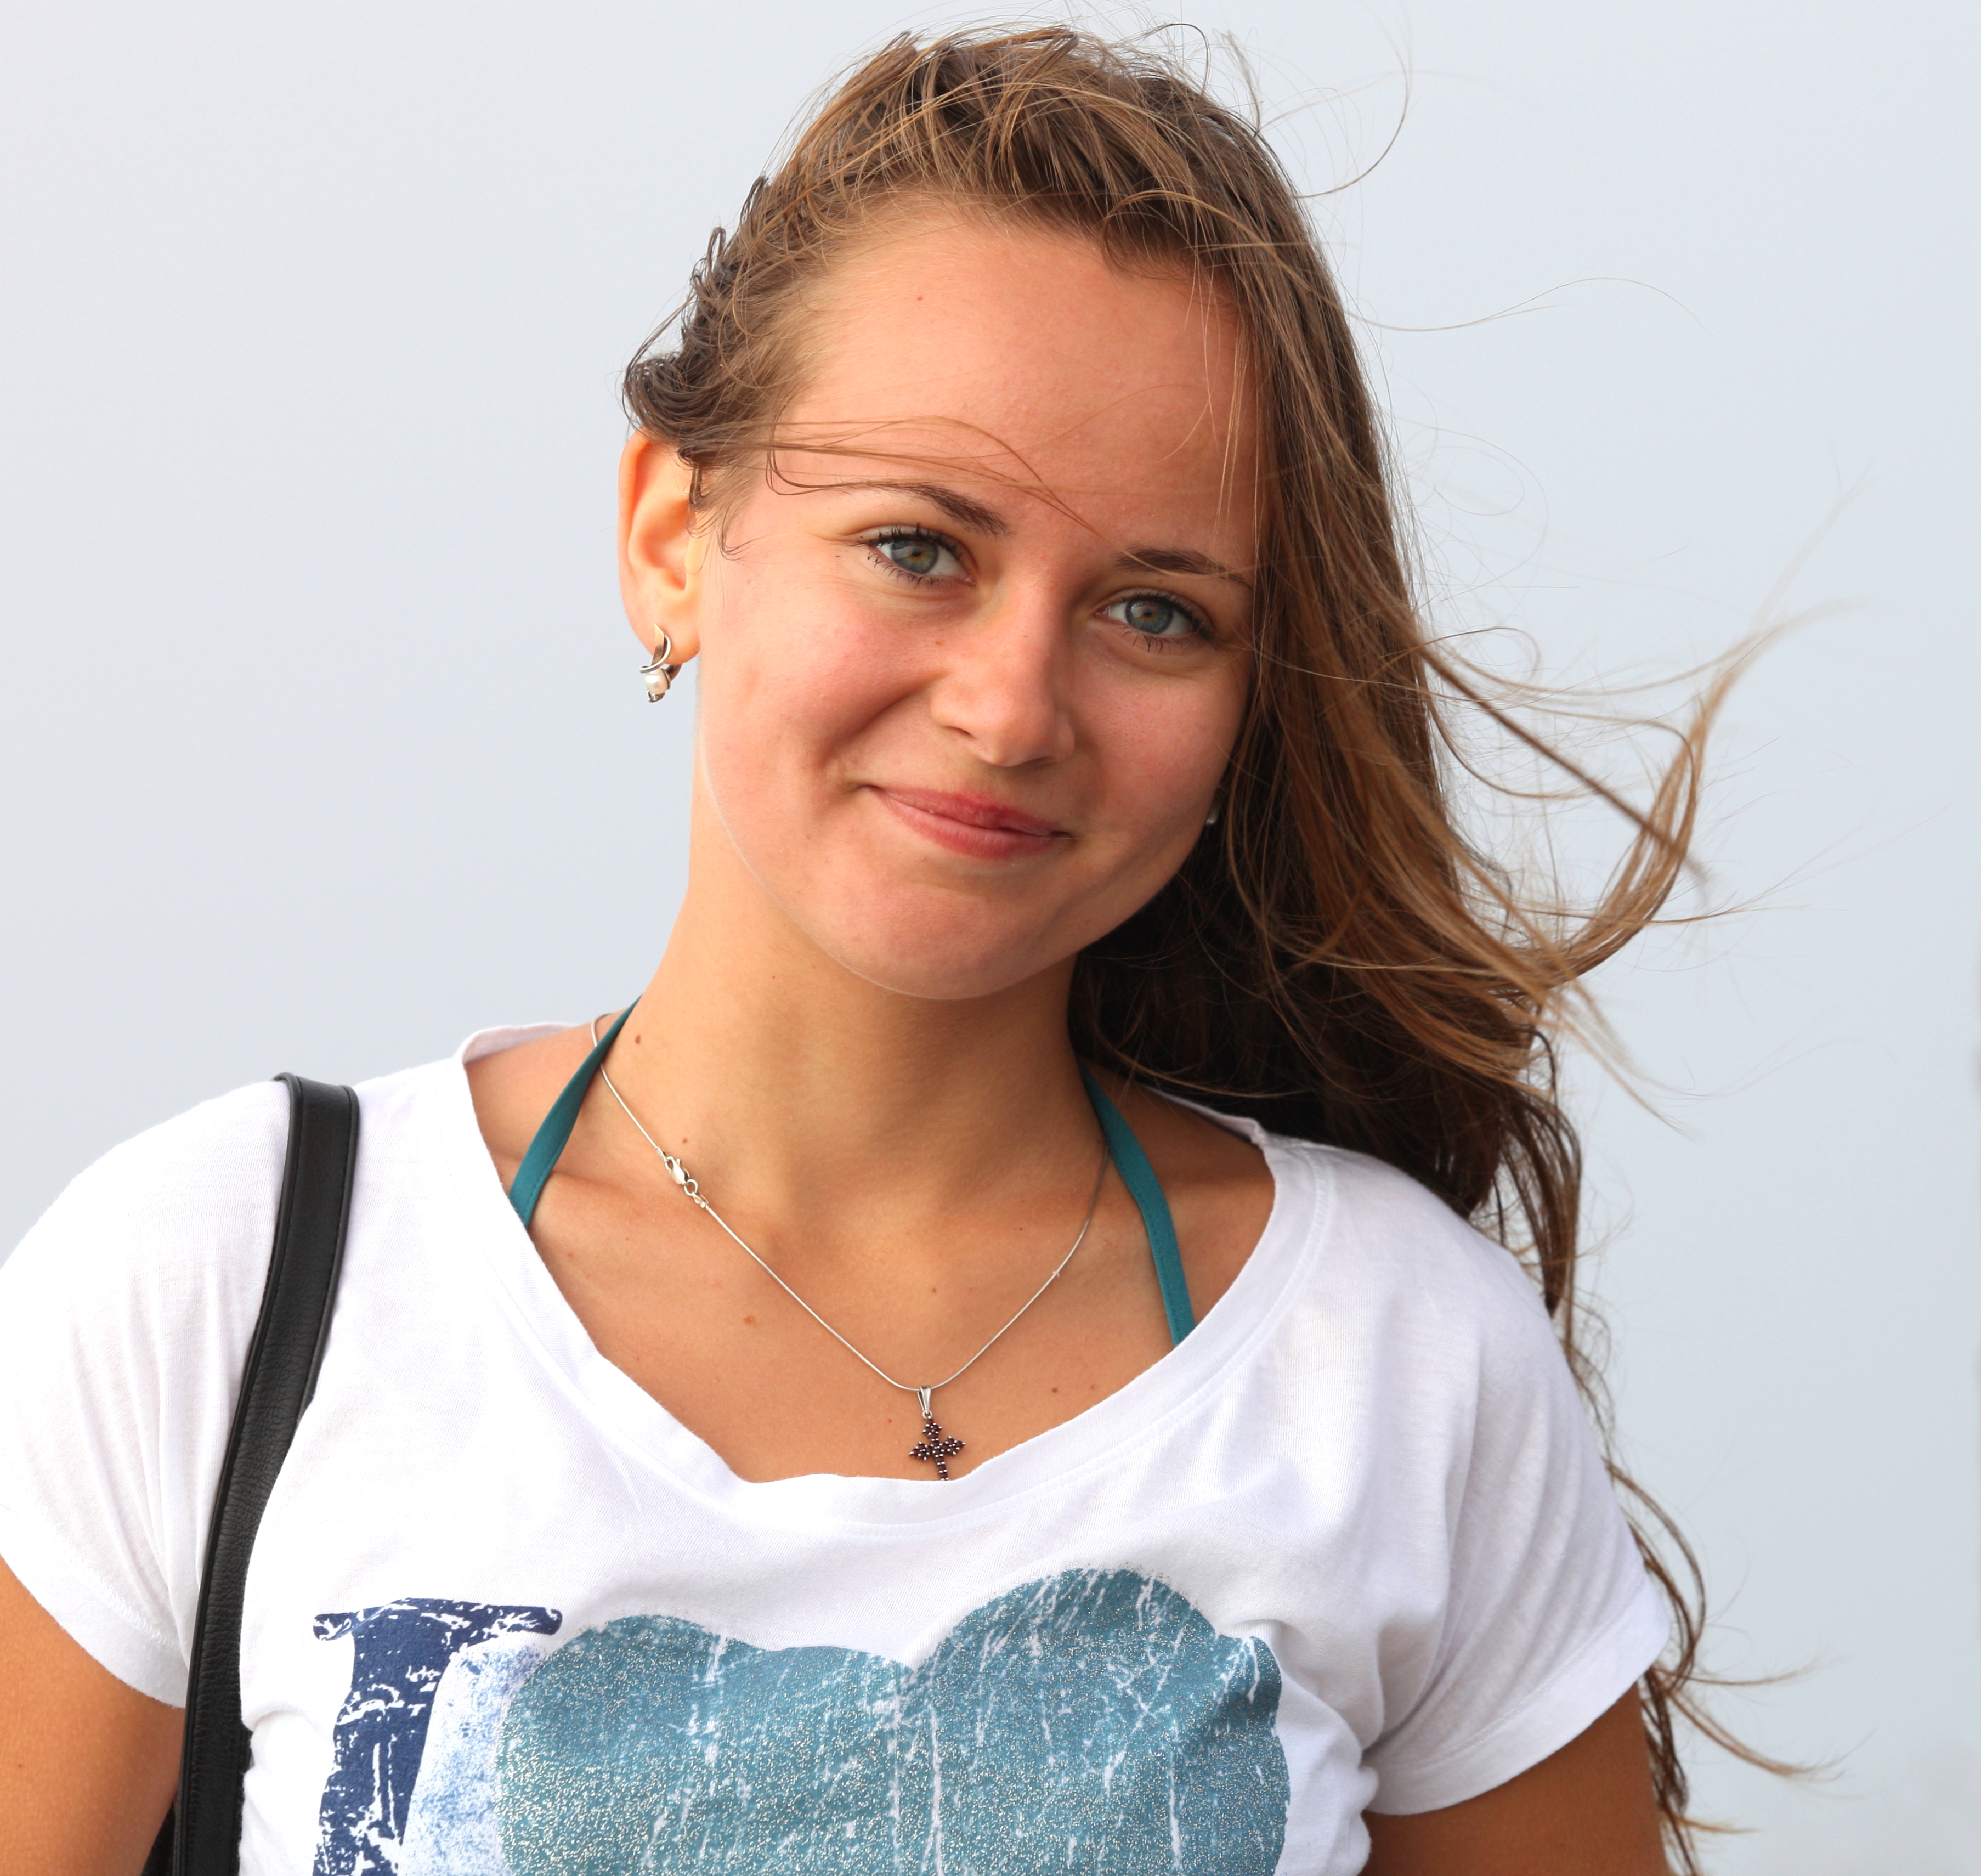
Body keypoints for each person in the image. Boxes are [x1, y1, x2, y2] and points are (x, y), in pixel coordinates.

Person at [0, 26, 1724, 1875]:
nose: (1007, 705)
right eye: (918, 545)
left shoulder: (1398, 1367)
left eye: (1156, 609)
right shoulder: (222, 1282)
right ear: (674, 533)